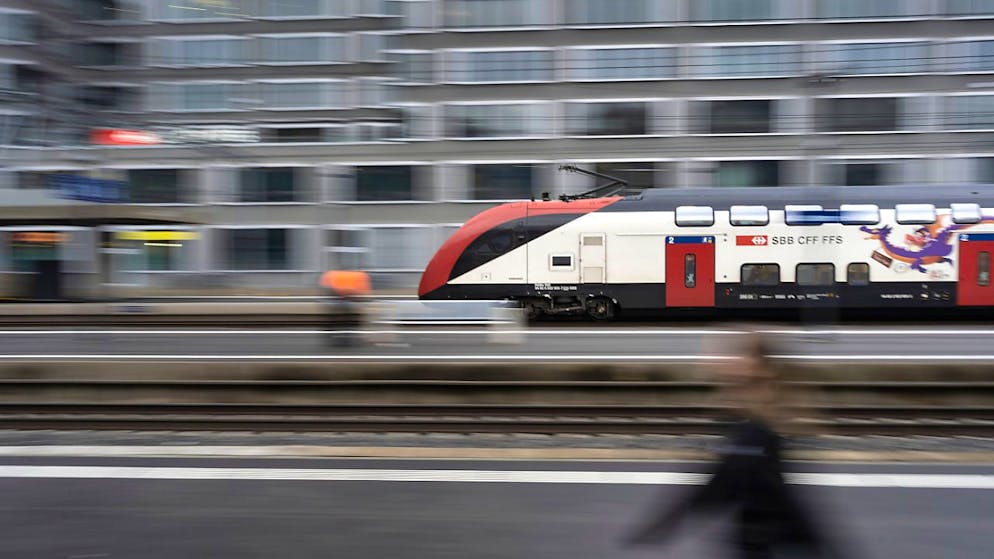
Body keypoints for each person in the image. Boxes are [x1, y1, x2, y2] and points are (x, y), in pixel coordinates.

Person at [624, 332, 843, 559]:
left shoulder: (756, 429)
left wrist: (664, 524)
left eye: (732, 354)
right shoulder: (750, 421)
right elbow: (731, 482)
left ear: (754, 366)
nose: (714, 359)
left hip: (766, 540)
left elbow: (728, 482)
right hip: (759, 540)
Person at [320, 270, 371, 347]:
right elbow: (362, 291)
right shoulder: (360, 275)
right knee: (352, 316)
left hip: (336, 298)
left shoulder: (331, 274)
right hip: (347, 299)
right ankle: (353, 333)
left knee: (335, 315)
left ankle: (329, 330)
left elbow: (325, 288)